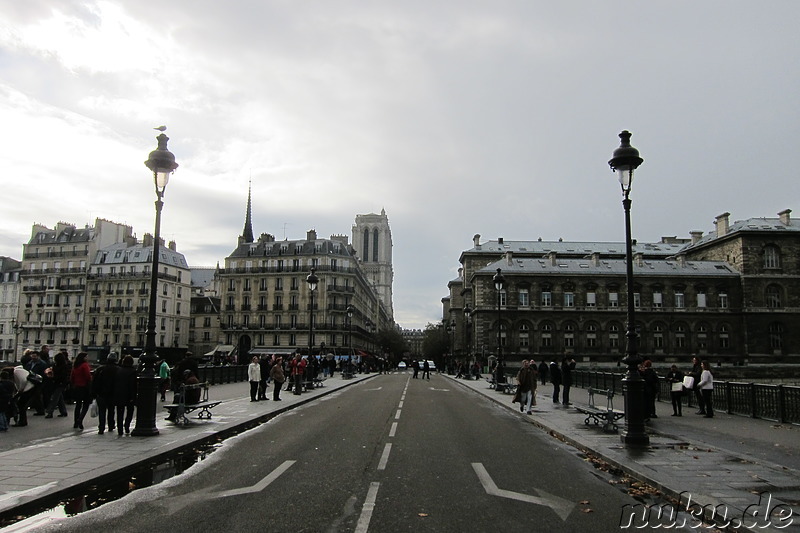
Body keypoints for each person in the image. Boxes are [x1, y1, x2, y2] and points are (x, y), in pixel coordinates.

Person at [93, 353, 119, 434]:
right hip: (112, 393)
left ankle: (101, 427)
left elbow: (94, 381)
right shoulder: (118, 369)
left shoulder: (100, 369)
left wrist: (94, 393)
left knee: (102, 411)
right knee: (111, 410)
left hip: (101, 393)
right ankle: (111, 425)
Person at [113, 355, 137, 435]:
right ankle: (127, 425)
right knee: (130, 411)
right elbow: (133, 385)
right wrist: (133, 396)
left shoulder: (119, 370)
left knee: (120, 412)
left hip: (119, 394)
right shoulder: (133, 371)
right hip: (129, 395)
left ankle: (120, 429)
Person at [70, 352, 92, 430]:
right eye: (86, 357)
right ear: (83, 358)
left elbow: (72, 376)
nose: (87, 358)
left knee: (78, 405)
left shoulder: (75, 366)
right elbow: (88, 376)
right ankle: (80, 419)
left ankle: (76, 421)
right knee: (86, 405)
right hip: (84, 387)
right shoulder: (85, 365)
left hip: (77, 387)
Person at [45, 351, 70, 418]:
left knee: (55, 398)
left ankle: (50, 412)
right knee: (59, 397)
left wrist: (52, 376)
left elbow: (61, 375)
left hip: (58, 383)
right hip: (61, 383)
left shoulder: (57, 366)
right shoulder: (64, 366)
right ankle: (63, 411)